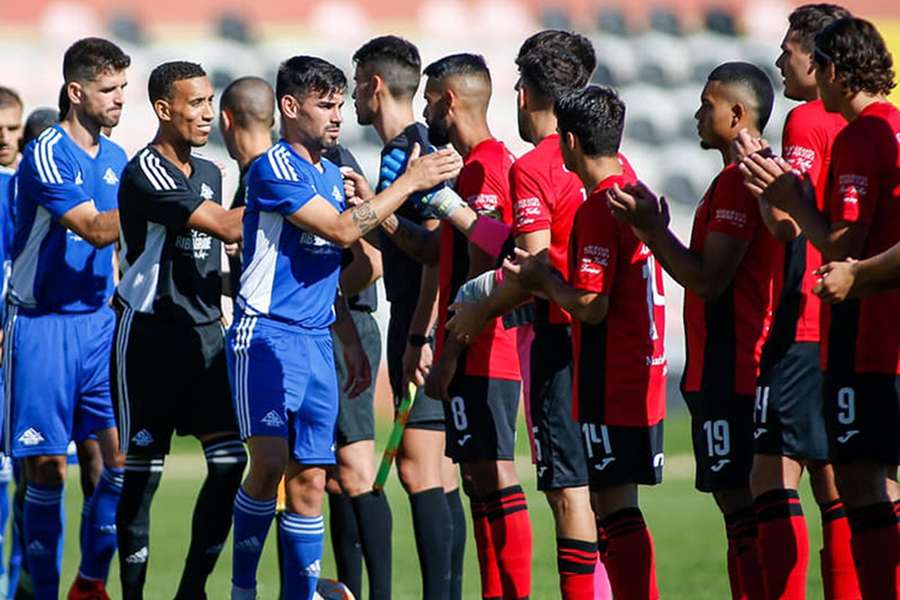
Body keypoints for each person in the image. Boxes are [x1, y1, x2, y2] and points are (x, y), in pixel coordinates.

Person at [226, 55, 461, 600]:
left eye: (339, 104)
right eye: (324, 106)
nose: (337, 117)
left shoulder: (333, 175)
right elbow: (334, 230)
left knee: (311, 477)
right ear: (290, 107)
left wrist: (350, 340)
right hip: (265, 336)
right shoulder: (273, 167)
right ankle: (242, 590)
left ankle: (301, 594)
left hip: (316, 340)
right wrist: (407, 184)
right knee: (267, 466)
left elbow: (343, 267)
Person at [446, 30, 614, 599]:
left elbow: (533, 268)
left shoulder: (533, 166)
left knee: (567, 492)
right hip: (606, 339)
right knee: (603, 493)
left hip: (558, 340)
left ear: (524, 94)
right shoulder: (607, 155)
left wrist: (475, 309)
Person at [739, 16, 900, 598]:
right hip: (865, 329)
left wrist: (783, 196)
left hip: (848, 329)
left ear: (828, 67)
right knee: (857, 478)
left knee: (836, 481)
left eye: (790, 53)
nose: (783, 64)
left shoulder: (829, 125)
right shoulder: (892, 126)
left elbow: (824, 238)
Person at [607, 62, 777, 600]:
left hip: (732, 367)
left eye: (707, 105)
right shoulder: (741, 179)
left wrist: (652, 231)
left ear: (736, 113)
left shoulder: (737, 184)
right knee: (747, 512)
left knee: (743, 511)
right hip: (732, 363)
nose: (697, 114)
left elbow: (707, 279)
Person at [504, 84, 665, 600]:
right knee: (616, 506)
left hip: (606, 369)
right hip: (640, 365)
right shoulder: (632, 190)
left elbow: (591, 305)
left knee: (614, 507)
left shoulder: (600, 208)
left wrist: (541, 278)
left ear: (570, 141)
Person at [113, 61, 247, 600]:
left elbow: (212, 257)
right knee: (142, 479)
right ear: (164, 110)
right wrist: (284, 184)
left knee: (231, 462)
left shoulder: (211, 173)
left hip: (205, 339)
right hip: (148, 339)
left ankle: (192, 589)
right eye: (194, 104)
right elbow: (228, 226)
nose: (206, 113)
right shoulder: (144, 171)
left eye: (210, 102)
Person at [5, 37, 130, 600]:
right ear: (76, 92)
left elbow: (123, 250)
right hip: (42, 326)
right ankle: (44, 590)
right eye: (109, 90)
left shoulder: (118, 157)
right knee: (49, 469)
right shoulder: (48, 151)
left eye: (124, 88)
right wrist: (167, 199)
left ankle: (89, 584)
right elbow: (98, 228)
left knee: (117, 462)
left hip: (98, 324)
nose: (120, 99)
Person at [410, 53, 532, 599]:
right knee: (480, 481)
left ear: (449, 100)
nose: (425, 108)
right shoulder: (473, 165)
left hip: (486, 349)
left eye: (430, 98)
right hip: (472, 346)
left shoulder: (489, 166)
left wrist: (451, 352)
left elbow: (488, 268)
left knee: (495, 476)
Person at [350, 35, 465, 599]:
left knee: (419, 469)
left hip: (422, 324)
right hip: (431, 322)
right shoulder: (407, 151)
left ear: (375, 85)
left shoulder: (407, 153)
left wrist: (420, 334)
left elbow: (435, 251)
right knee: (441, 473)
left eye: (354, 85)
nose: (350, 99)